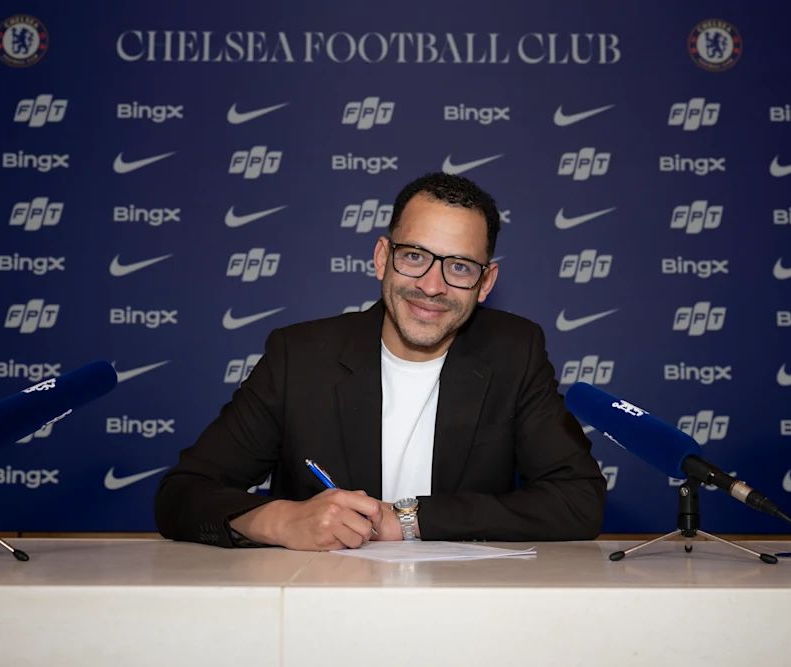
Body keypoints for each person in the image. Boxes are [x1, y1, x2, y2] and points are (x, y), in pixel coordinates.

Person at [155, 172, 606, 550]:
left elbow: (578, 500)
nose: (431, 286)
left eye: (459, 267)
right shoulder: (299, 356)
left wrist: (408, 519)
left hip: (463, 610)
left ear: (485, 283)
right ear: (381, 258)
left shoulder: (515, 352)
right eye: (414, 257)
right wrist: (279, 520)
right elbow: (182, 494)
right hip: (319, 606)